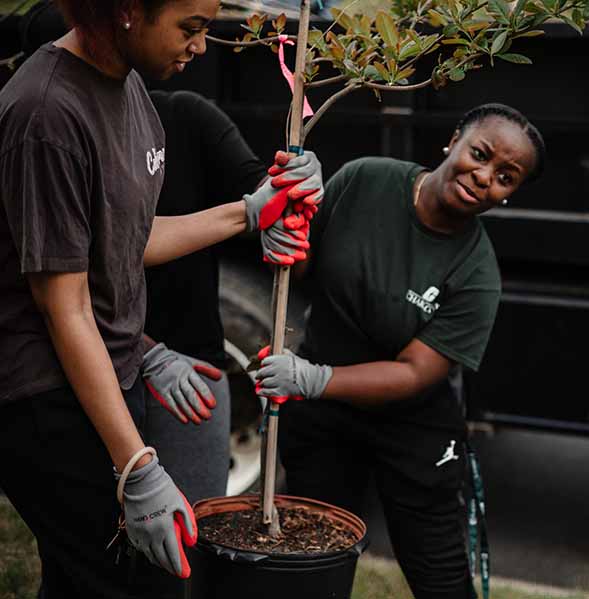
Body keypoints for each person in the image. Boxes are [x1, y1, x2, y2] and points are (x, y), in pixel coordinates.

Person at [0, 1, 317, 597]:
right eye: (191, 28)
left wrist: (252, 211)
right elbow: (63, 307)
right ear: (125, 10)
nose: (201, 46)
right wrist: (138, 469)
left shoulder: (128, 88)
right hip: (42, 394)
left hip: (103, 374)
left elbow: (127, 239)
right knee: (136, 583)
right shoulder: (46, 113)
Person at [254, 103, 546, 598]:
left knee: (441, 580)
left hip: (412, 428)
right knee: (308, 566)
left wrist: (313, 378)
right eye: (480, 154)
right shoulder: (365, 181)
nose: (484, 177)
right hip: (325, 421)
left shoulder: (477, 275)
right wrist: (284, 223)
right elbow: (300, 269)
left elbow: (413, 373)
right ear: (452, 140)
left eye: (505, 177)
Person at [141, 88, 268, 505]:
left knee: (197, 536)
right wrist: (141, 350)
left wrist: (291, 186)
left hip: (191, 364)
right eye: (188, 28)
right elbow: (117, 247)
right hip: (90, 362)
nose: (197, 46)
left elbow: (263, 190)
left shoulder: (184, 115)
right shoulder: (52, 122)